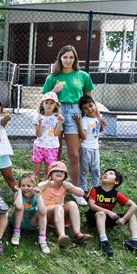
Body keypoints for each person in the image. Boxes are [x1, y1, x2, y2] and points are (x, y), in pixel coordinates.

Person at [42, 45, 98, 206]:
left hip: (75, 114)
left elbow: (90, 99)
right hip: (57, 112)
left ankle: (76, 190)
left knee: (74, 155)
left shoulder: (83, 76)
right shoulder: (52, 77)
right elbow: (46, 98)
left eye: (71, 57)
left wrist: (98, 117)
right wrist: (54, 89)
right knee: (55, 153)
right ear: (60, 58)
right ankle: (51, 188)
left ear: (75, 59)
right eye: (65, 57)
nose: (68, 60)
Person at [86, 169, 137, 257]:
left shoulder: (116, 194)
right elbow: (91, 205)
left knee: (132, 216)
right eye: (105, 173)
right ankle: (104, 241)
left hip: (108, 219)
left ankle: (135, 241)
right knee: (101, 213)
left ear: (116, 181)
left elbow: (134, 205)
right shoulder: (95, 189)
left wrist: (124, 219)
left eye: (110, 174)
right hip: (93, 217)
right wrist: (109, 212)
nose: (106, 174)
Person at [39, 161, 91, 248]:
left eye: (62, 172)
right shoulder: (46, 184)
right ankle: (62, 236)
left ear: (65, 176)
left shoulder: (65, 185)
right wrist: (45, 185)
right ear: (50, 174)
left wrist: (70, 187)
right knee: (58, 207)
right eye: (56, 171)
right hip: (47, 213)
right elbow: (36, 189)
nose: (59, 173)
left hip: (60, 214)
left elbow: (81, 193)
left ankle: (78, 234)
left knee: (72, 204)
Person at [11, 173, 50, 254]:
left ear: (34, 186)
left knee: (41, 211)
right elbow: (18, 206)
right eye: (23, 185)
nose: (25, 188)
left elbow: (43, 212)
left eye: (29, 186)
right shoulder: (18, 194)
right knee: (20, 206)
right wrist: (18, 191)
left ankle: (42, 239)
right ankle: (16, 233)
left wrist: (38, 196)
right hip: (19, 222)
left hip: (32, 223)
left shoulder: (37, 196)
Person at [32, 92, 64, 181]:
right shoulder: (38, 117)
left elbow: (56, 134)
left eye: (52, 103)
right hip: (39, 146)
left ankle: (44, 189)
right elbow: (38, 134)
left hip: (52, 147)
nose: (49, 105)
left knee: (48, 172)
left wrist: (59, 123)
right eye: (46, 102)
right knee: (36, 172)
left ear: (56, 105)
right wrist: (40, 123)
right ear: (42, 103)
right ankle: (34, 190)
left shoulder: (57, 117)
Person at [74, 95, 101, 194]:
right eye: (85, 108)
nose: (89, 109)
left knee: (96, 170)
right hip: (86, 149)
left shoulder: (97, 118)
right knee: (84, 170)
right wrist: (79, 123)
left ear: (95, 105)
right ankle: (83, 189)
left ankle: (95, 189)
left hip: (95, 148)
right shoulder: (85, 120)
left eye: (91, 106)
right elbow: (84, 137)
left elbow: (98, 131)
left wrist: (102, 124)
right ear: (82, 111)